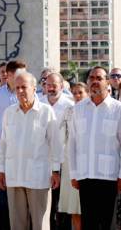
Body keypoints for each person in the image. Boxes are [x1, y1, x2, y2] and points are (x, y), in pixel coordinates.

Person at [0, 71, 63, 230]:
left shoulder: (46, 112)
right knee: (17, 224)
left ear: (34, 89)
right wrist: (1, 171)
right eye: (17, 87)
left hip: (38, 178)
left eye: (24, 87)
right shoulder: (9, 113)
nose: (20, 91)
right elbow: (4, 144)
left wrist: (56, 171)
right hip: (14, 176)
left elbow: (55, 144)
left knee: (40, 224)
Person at [69, 66, 121, 230]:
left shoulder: (118, 109)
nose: (95, 82)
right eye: (91, 78)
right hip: (86, 175)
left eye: (99, 78)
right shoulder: (78, 109)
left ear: (107, 82)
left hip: (110, 177)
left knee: (108, 224)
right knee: (89, 224)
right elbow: (72, 143)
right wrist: (73, 173)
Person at [0, 60, 26, 229]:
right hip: (1, 150)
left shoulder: (29, 93)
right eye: (18, 75)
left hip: (23, 152)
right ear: (8, 76)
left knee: (22, 193)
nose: (23, 79)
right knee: (3, 192)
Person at [40, 72, 74, 229]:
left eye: (54, 85)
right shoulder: (38, 103)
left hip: (64, 160)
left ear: (61, 86)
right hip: (43, 159)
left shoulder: (71, 105)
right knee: (46, 202)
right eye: (48, 84)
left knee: (63, 201)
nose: (51, 88)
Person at [58, 82, 88, 230]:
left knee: (87, 208)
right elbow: (60, 136)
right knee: (74, 208)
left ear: (87, 93)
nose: (77, 96)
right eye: (74, 92)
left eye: (80, 92)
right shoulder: (68, 111)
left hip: (88, 164)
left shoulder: (92, 111)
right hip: (70, 163)